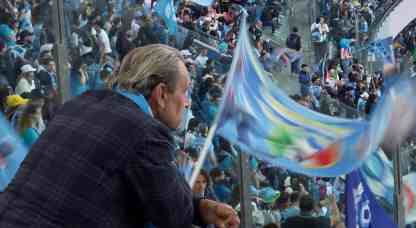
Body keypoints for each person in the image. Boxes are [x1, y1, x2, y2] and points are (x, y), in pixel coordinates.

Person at [0, 44, 239, 228]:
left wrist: (200, 207)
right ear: (162, 94)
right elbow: (173, 214)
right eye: (185, 91)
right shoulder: (147, 133)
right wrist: (197, 206)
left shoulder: (83, 101)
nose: (187, 102)